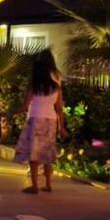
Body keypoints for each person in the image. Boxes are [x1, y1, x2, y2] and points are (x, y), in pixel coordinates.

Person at [13, 49, 67, 194]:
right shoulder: (56, 86)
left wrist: (8, 112)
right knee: (47, 153)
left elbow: (24, 106)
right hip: (51, 120)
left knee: (34, 154)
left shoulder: (34, 86)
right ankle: (48, 184)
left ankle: (35, 186)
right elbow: (59, 108)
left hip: (35, 119)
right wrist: (62, 127)